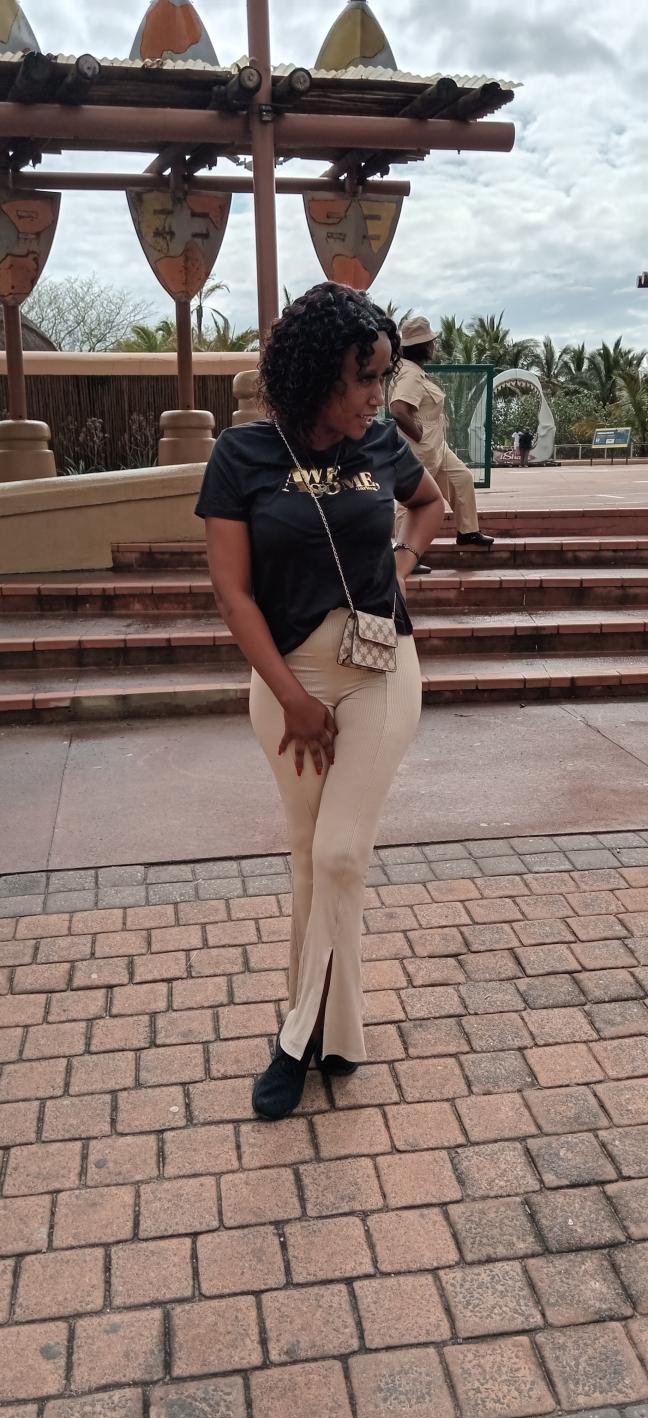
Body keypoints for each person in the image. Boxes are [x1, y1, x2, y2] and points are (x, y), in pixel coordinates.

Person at [196, 283, 445, 1121]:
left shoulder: (380, 444)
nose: (379, 395)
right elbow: (234, 596)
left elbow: (430, 506)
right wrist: (294, 699)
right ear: (315, 376)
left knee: (339, 854)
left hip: (379, 669)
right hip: (286, 679)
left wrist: (401, 566)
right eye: (363, 377)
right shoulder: (242, 456)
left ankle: (294, 1038)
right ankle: (342, 1032)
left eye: (384, 375)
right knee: (310, 857)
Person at [389, 315, 494, 549]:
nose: (434, 346)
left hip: (436, 445)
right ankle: (404, 551)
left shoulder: (415, 370)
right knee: (410, 499)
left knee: (462, 478)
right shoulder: (410, 374)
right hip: (420, 448)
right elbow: (398, 410)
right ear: (424, 346)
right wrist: (419, 436)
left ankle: (468, 532)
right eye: (432, 342)